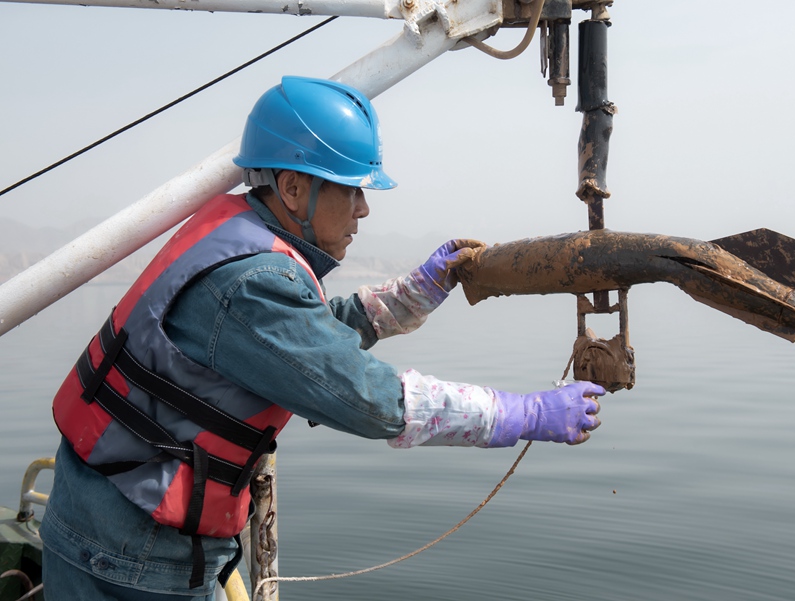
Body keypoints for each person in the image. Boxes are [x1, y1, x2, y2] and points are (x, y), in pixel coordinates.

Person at [40, 76, 604, 600]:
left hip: (104, 512)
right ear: (291, 187)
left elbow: (307, 338)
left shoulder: (242, 237)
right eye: (352, 189)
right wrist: (521, 414)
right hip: (132, 553)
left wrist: (420, 290)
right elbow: (368, 399)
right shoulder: (253, 282)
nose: (363, 208)